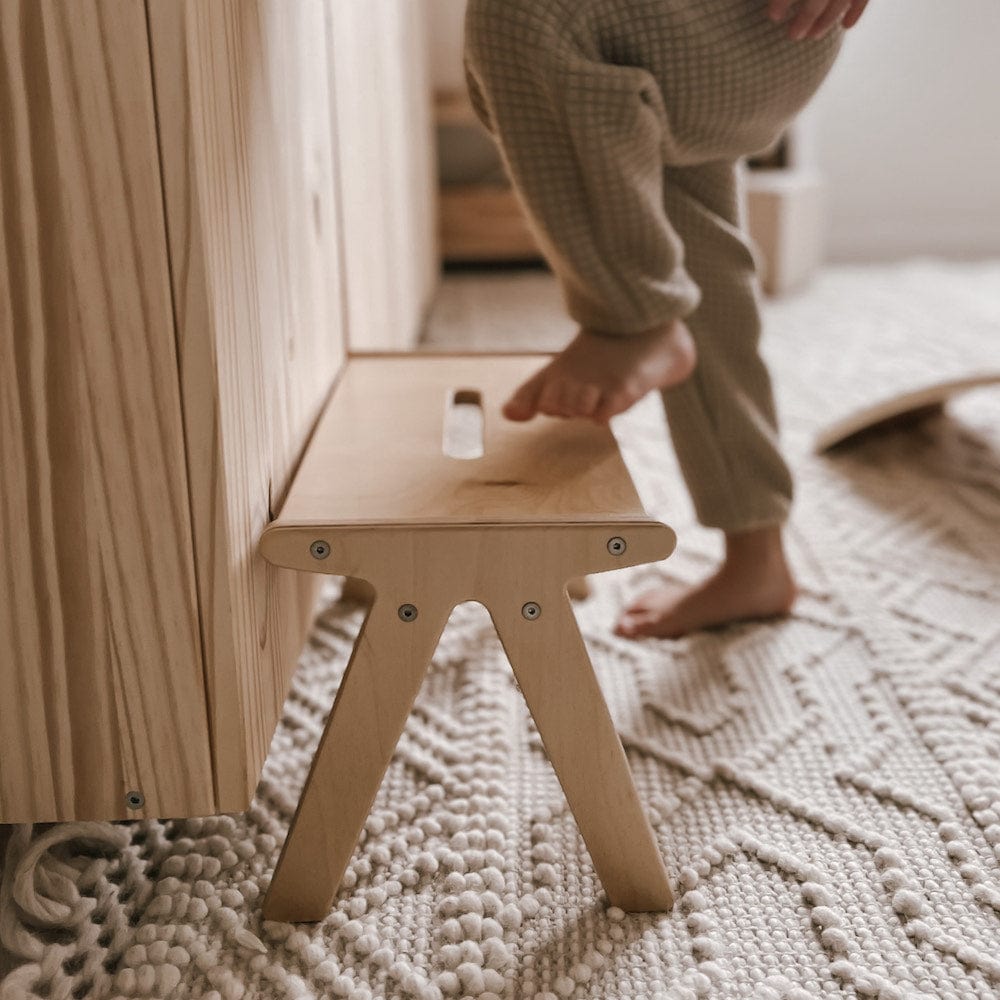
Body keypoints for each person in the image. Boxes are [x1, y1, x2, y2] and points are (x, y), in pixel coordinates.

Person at [463, 0, 868, 638]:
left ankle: (634, 316)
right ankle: (756, 557)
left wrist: (629, 308)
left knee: (530, 14)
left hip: (781, 20)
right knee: (686, 240)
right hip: (728, 33)